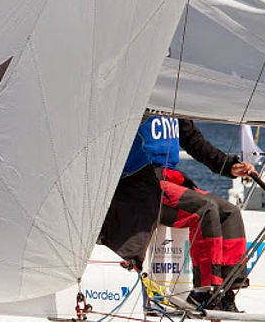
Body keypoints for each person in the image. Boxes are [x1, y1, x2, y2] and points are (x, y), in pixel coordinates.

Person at [99, 116, 256, 311]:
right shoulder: (140, 101)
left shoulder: (173, 97)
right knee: (205, 208)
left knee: (230, 212)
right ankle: (203, 291)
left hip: (170, 180)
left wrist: (229, 166)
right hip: (141, 184)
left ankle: (226, 290)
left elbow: (195, 142)